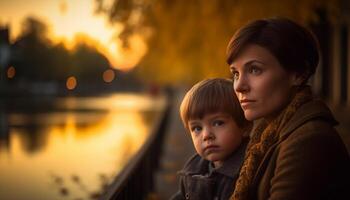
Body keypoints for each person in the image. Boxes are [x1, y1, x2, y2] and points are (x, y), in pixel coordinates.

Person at [226, 17, 350, 200]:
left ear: (299, 74)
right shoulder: (268, 135)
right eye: (235, 73)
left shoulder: (309, 141)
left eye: (254, 70)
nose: (239, 86)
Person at [171, 78, 252, 200]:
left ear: (245, 127)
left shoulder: (249, 170)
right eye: (197, 128)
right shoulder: (193, 170)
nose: (206, 135)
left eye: (218, 123)